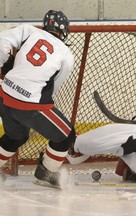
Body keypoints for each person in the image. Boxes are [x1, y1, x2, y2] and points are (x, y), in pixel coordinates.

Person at [0, 10, 76, 188]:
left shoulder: (29, 30)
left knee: (16, 137)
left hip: (4, 95)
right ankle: (46, 172)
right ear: (64, 31)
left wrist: (3, 67)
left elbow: (2, 41)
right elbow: (53, 87)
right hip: (29, 104)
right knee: (66, 136)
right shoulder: (66, 53)